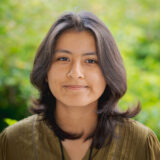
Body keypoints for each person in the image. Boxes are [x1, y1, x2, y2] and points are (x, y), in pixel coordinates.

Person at [0, 11, 160, 160]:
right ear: (46, 69)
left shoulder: (141, 143)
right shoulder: (13, 142)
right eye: (63, 59)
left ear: (109, 72)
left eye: (90, 61)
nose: (75, 73)